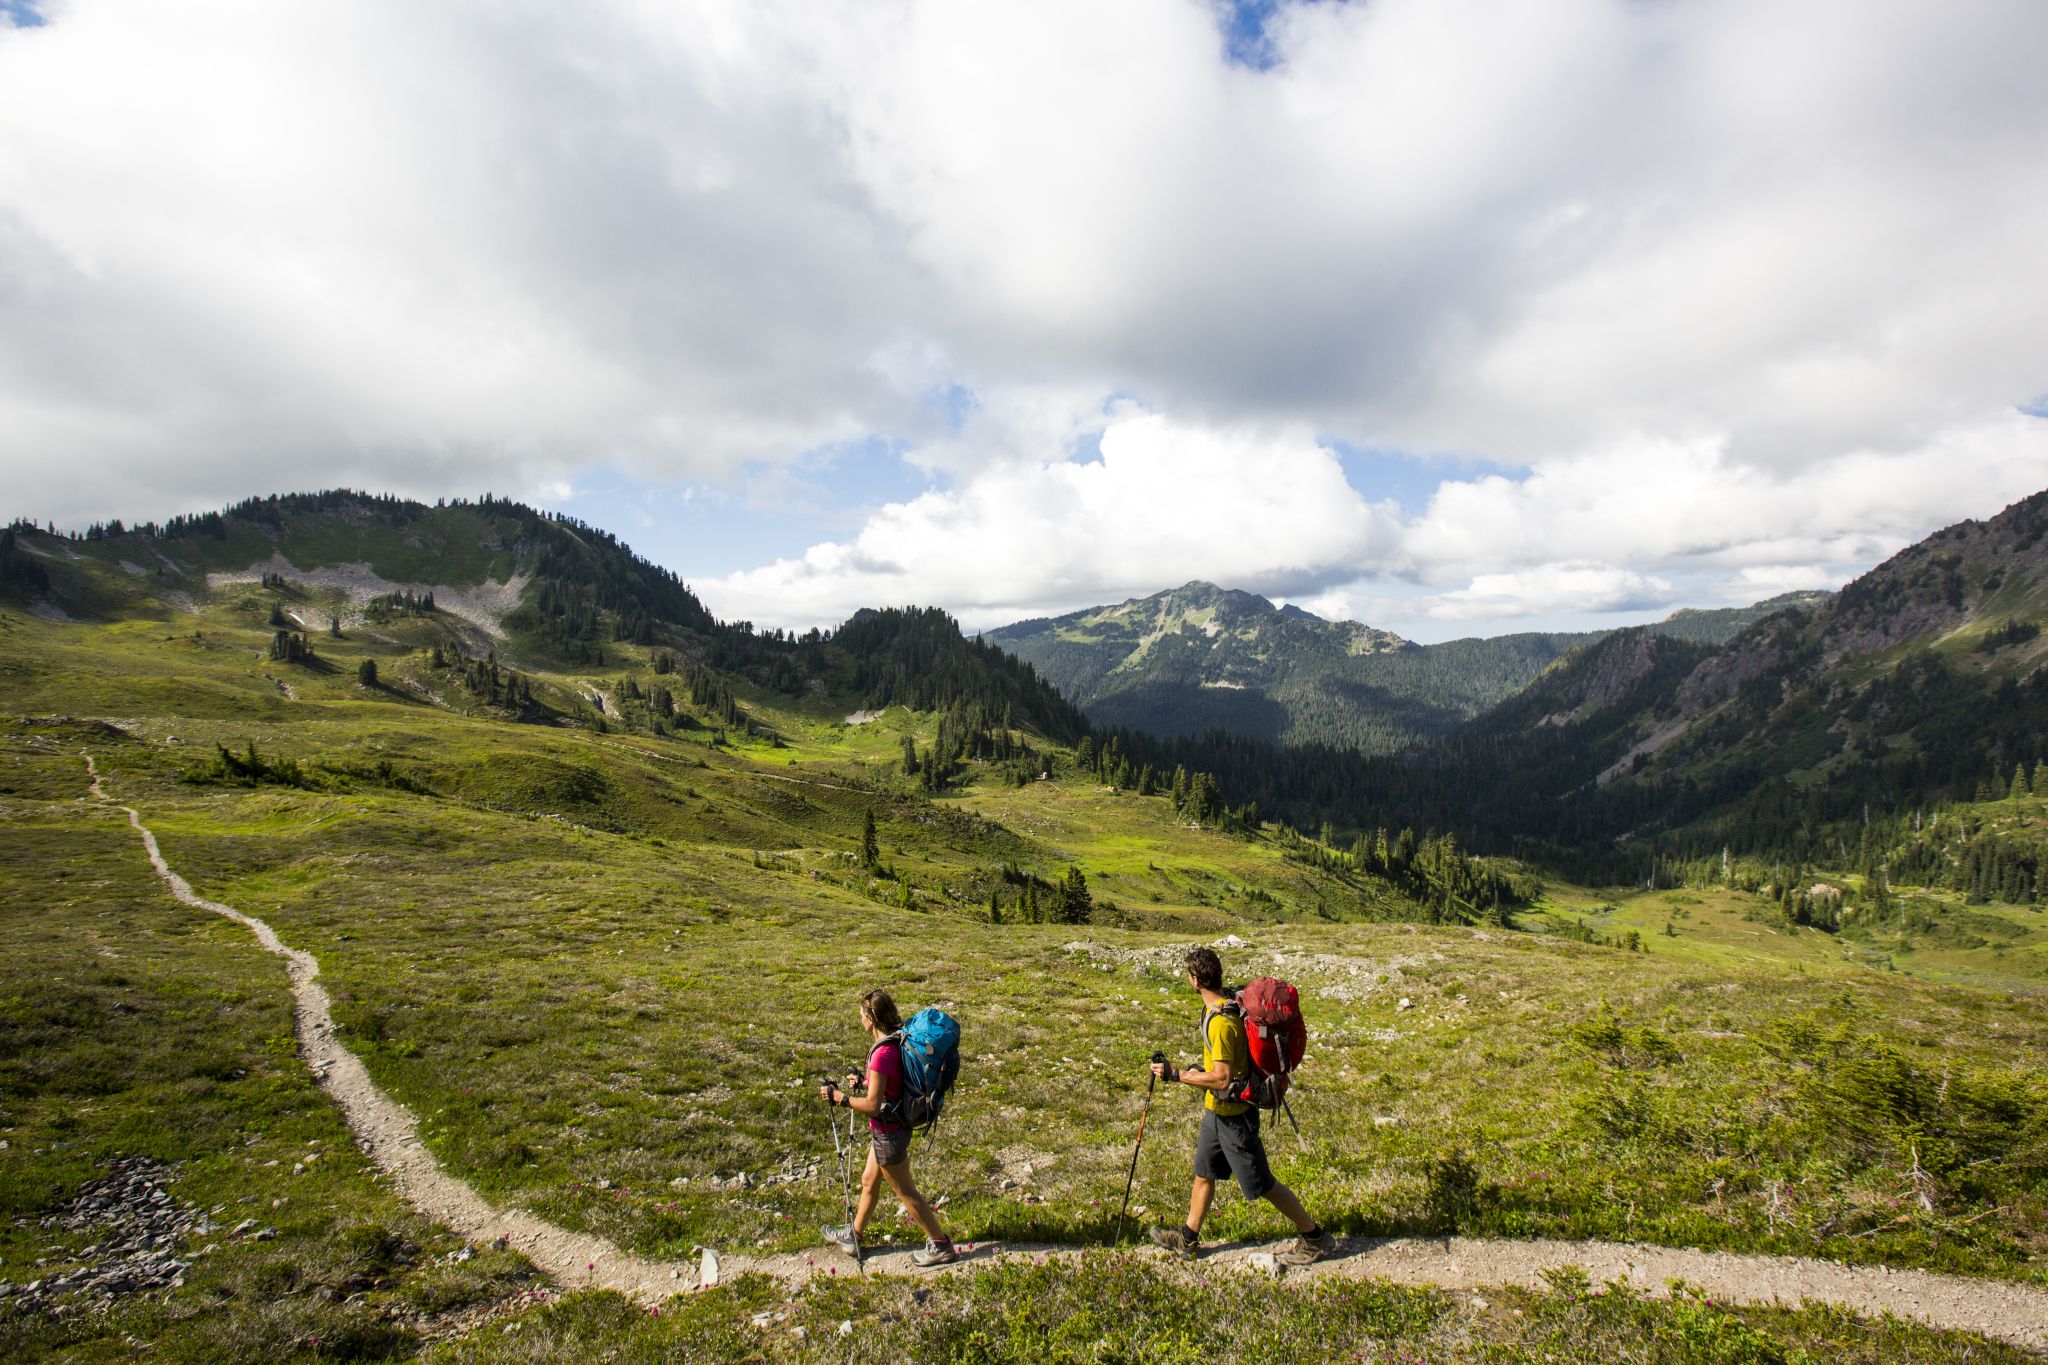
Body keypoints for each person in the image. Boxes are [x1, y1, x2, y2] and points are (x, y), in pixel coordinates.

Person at [1150, 947, 1334, 1264]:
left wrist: (1177, 1075)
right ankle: (1188, 1238)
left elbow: (1222, 1078)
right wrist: (1197, 1071)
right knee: (1204, 1173)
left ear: (1194, 980)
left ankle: (1314, 1236)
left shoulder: (1221, 1022)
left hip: (1235, 1117)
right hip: (1217, 1112)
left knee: (1263, 1184)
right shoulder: (1227, 1005)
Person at [820, 988, 957, 1266]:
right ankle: (853, 1235)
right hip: (892, 1126)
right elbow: (889, 1087)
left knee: (905, 1191)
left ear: (871, 1017)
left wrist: (841, 1098)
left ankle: (940, 1244)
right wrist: (864, 1083)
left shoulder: (880, 1054)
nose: (860, 1020)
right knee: (869, 1181)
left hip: (888, 1133)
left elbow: (873, 1105)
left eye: (861, 1015)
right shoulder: (895, 1041)